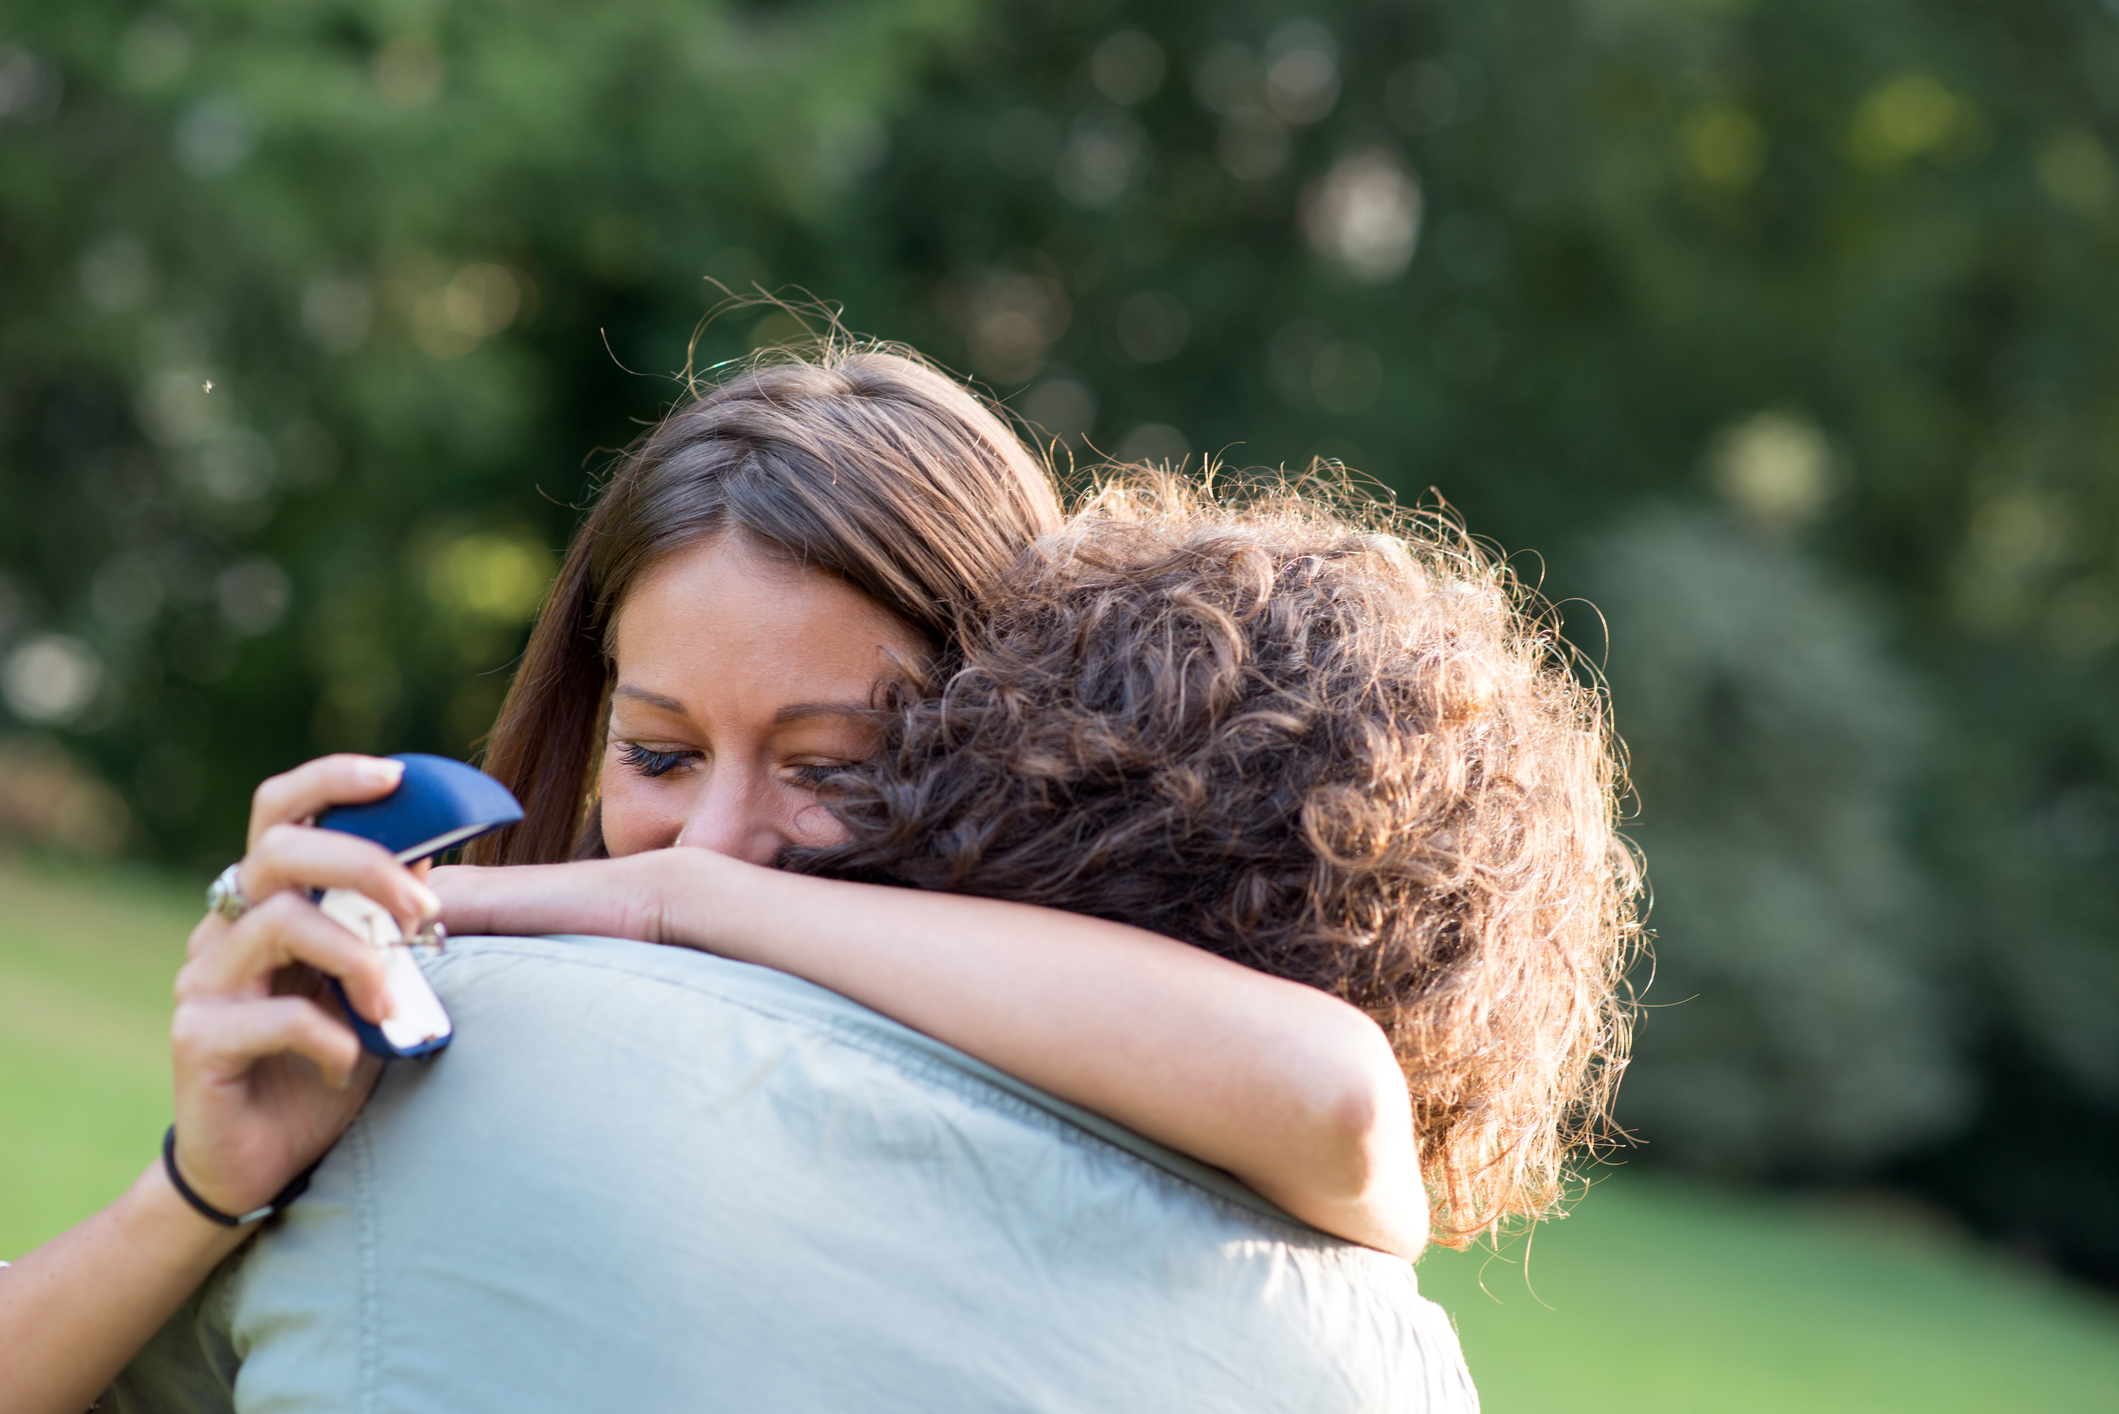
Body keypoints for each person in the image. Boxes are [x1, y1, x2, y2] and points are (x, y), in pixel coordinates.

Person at [3, 346, 1480, 1411]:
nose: (718, 835)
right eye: (655, 753)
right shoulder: (457, 1046)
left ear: (1021, 743)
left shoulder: (1131, 1078)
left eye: (831, 767)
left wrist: (674, 905)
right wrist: (197, 1192)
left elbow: (1340, 1101)